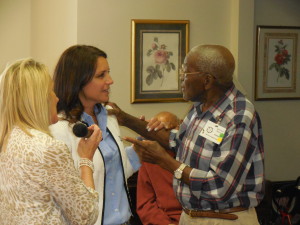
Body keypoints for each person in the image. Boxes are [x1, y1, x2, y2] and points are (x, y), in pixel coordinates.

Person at [107, 44, 265, 225]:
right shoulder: (200, 108)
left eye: (185, 73)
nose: (180, 78)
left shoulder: (238, 116)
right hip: (191, 217)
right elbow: (175, 142)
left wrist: (164, 161)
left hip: (224, 219)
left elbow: (219, 187)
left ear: (207, 81)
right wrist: (125, 118)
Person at [0, 58, 101, 224]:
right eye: (51, 92)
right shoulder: (48, 149)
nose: (56, 98)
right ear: (39, 99)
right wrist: (86, 160)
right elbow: (86, 216)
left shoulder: (7, 140)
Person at [50, 45, 140, 225]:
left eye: (109, 73)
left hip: (125, 220)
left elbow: (112, 170)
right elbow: (67, 192)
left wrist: (142, 148)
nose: (110, 80)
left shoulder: (109, 116)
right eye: (101, 75)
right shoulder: (59, 129)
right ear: (78, 81)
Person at [136, 111, 182, 225]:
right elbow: (145, 205)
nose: (163, 136)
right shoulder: (150, 159)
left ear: (179, 127)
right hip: (167, 220)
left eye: (167, 130)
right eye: (157, 132)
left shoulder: (192, 154)